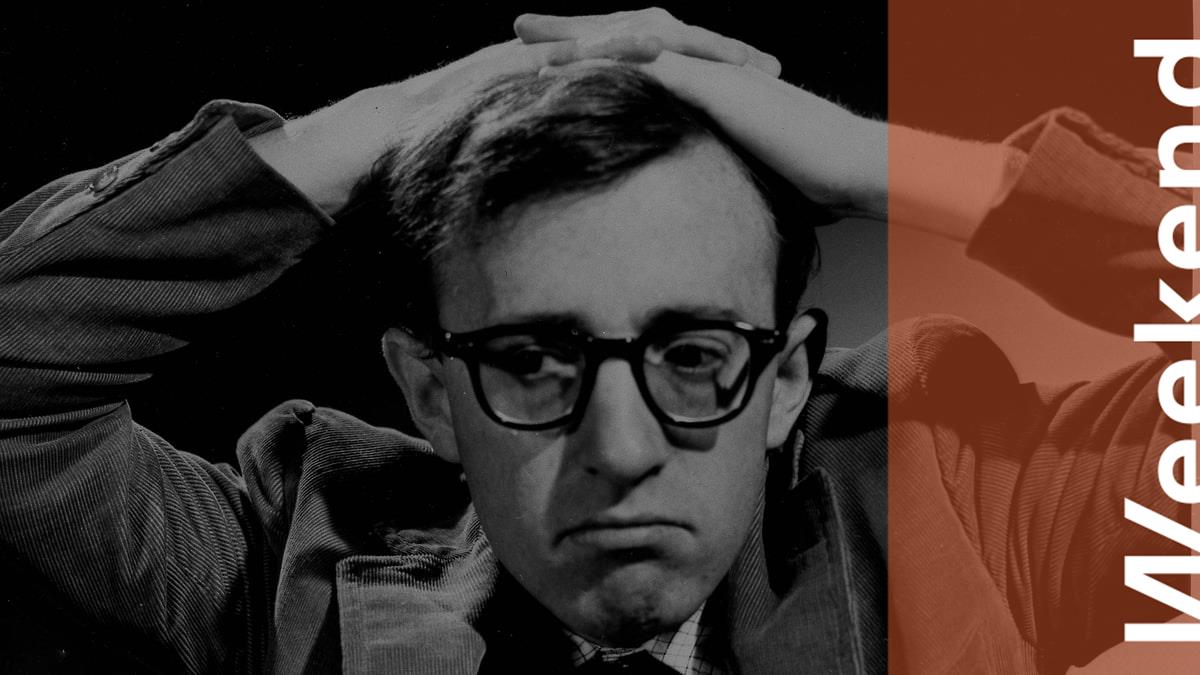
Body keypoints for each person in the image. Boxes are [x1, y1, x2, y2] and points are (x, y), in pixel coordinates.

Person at [0, 8, 1188, 674]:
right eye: (532, 362)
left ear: (785, 381)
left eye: (694, 355)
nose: (620, 450)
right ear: (430, 392)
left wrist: (873, 162)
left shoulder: (965, 509)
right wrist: (408, 110)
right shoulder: (290, 569)